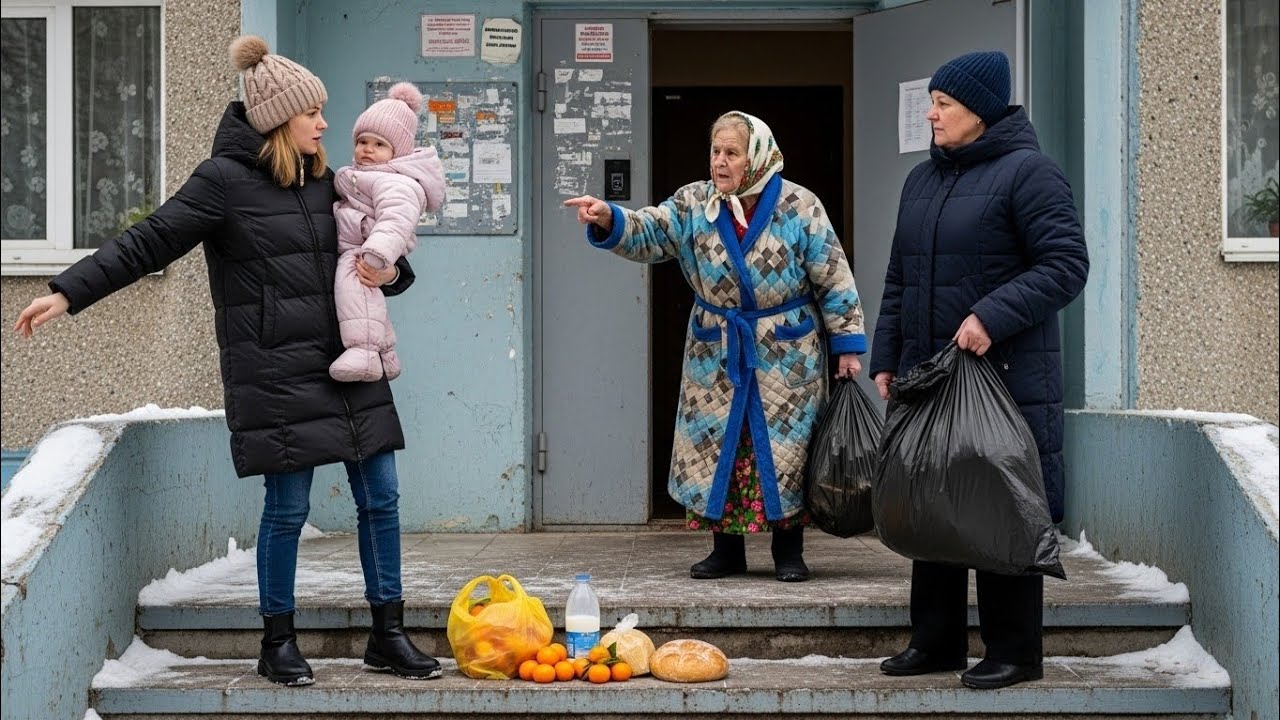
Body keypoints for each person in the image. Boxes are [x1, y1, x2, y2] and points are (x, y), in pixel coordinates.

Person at [13, 35, 442, 687]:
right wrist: (68, 291)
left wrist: (392, 274)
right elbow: (150, 240)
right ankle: (278, 643)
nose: (325, 124)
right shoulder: (222, 183)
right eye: (313, 112)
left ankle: (388, 635)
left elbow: (377, 249)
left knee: (381, 498)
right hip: (276, 370)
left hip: (350, 358)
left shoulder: (327, 181)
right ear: (280, 119)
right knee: (288, 509)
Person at [564, 111, 867, 583]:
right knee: (718, 445)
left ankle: (789, 552)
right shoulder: (694, 203)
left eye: (732, 153)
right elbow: (652, 230)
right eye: (715, 151)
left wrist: (847, 345)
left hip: (786, 351)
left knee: (787, 450)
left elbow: (834, 277)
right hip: (717, 347)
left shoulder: (799, 206)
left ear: (757, 157)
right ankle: (726, 551)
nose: (720, 162)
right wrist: (609, 218)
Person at [869, 50, 1089, 689]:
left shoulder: (1030, 174)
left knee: (999, 504)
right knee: (933, 498)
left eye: (944, 104)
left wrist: (991, 316)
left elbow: (1066, 264)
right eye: (932, 102)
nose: (931, 114)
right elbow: (900, 277)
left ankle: (1015, 651)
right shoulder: (921, 180)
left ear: (981, 112)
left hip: (1006, 377)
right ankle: (935, 642)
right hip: (929, 375)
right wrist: (887, 356)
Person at [329, 82, 445, 382]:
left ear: (397, 152)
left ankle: (364, 351)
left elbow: (396, 219)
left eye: (379, 145)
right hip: (364, 245)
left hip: (368, 250)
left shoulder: (395, 182)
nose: (367, 149)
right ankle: (386, 353)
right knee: (368, 302)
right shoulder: (364, 176)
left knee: (353, 289)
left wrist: (377, 252)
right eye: (362, 141)